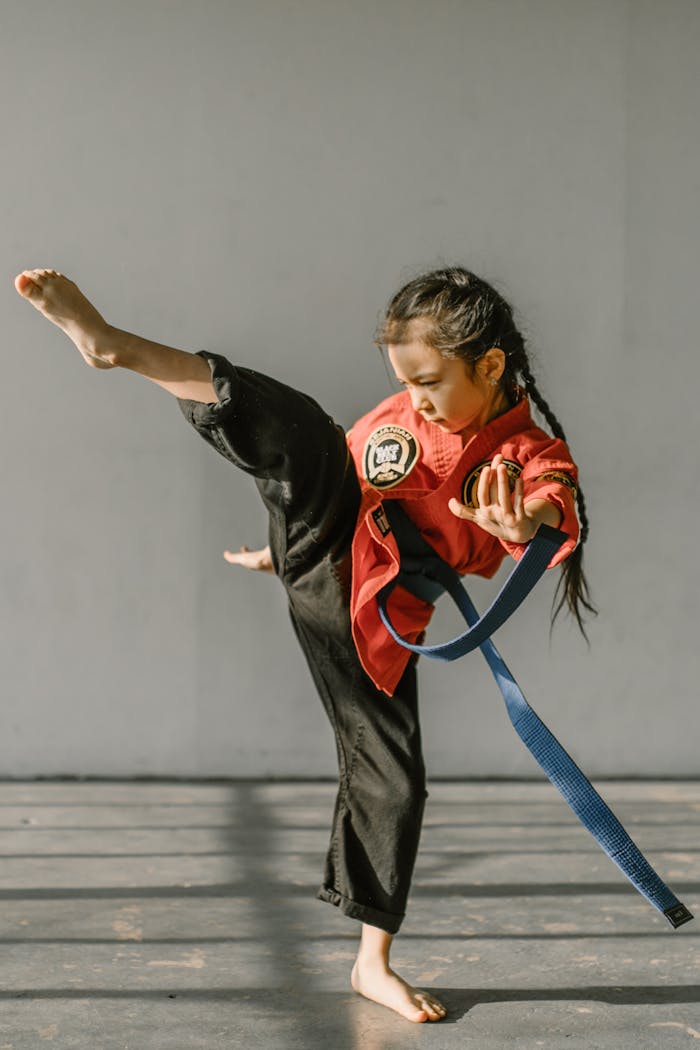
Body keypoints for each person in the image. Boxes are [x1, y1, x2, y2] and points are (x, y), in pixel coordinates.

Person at [14, 265, 593, 1024]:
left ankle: (370, 964)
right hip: (322, 553)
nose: (413, 399)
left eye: (428, 380)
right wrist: (280, 547)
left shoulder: (525, 453)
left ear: (488, 367)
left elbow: (554, 508)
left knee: (394, 782)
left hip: (375, 624)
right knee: (306, 431)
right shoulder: (396, 422)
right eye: (405, 381)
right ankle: (115, 347)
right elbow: (324, 479)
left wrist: (525, 527)